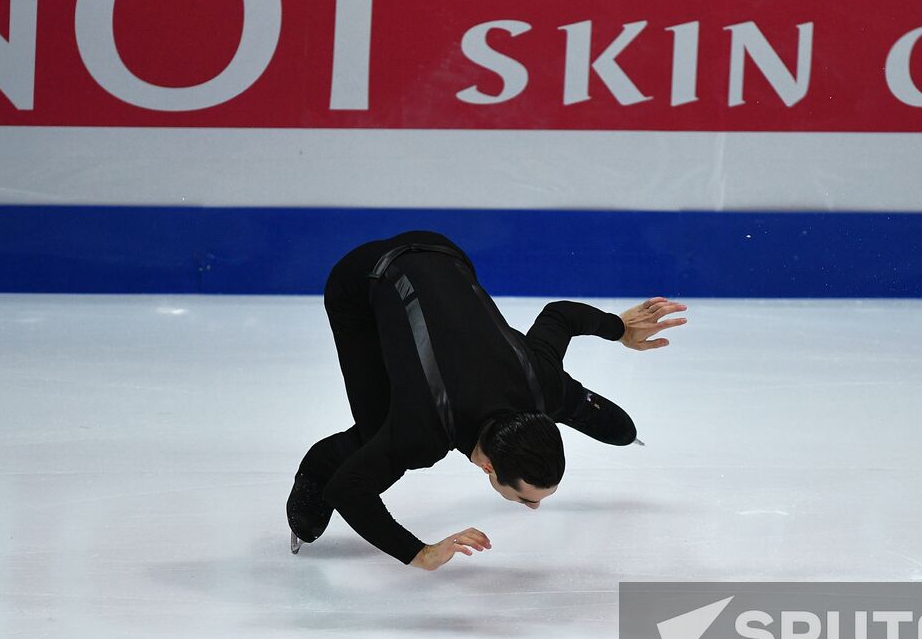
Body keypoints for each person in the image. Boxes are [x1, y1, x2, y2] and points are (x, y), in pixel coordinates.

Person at [286, 230, 687, 570]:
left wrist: (620, 329)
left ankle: (581, 404)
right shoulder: (423, 431)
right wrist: (419, 553)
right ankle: (317, 464)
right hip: (363, 278)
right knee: (377, 432)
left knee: (553, 391)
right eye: (525, 498)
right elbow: (348, 488)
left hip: (444, 253)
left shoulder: (540, 386)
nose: (530, 508)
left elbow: (561, 315)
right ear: (490, 467)